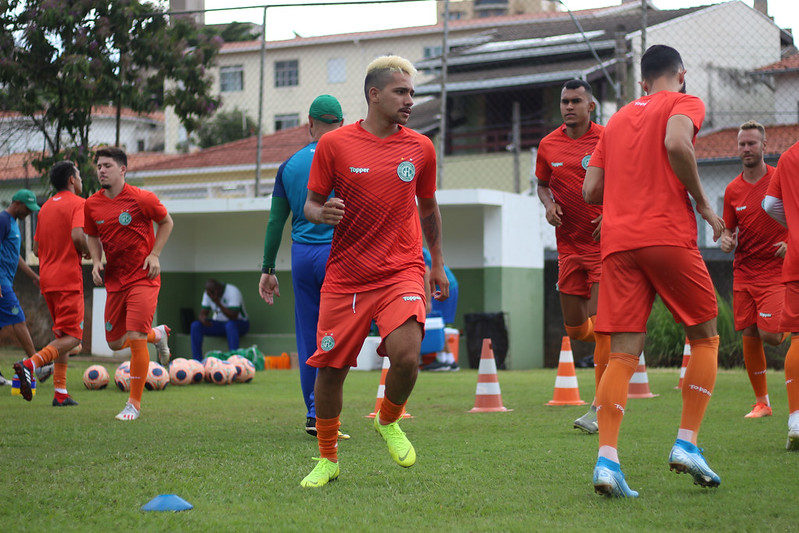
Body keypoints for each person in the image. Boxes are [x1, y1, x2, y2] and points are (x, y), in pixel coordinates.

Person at [298, 55, 448, 488]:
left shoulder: (420, 148)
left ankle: (388, 420)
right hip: (346, 276)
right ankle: (328, 459)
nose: (409, 101)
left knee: (407, 356)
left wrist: (436, 262)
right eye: (401, 92)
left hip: (401, 268)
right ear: (374, 94)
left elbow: (429, 206)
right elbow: (309, 204)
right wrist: (320, 212)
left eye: (412, 93)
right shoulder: (335, 145)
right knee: (331, 370)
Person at [583, 45, 725, 497]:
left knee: (623, 354)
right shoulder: (685, 102)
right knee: (705, 335)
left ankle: (607, 461)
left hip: (618, 244)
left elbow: (591, 191)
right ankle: (687, 443)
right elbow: (676, 143)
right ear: (681, 75)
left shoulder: (618, 120)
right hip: (666, 235)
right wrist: (702, 203)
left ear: (642, 82)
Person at [258, 94, 351, 438]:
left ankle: (314, 411)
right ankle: (327, 415)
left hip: (301, 256)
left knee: (309, 335)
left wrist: (268, 269)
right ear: (341, 124)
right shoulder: (347, 158)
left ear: (309, 124)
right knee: (339, 335)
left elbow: (274, 222)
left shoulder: (289, 166)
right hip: (337, 254)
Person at [536, 79, 608, 434]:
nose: (569, 106)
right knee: (577, 330)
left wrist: (611, 215)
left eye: (576, 101)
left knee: (603, 328)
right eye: (564, 101)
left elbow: (628, 181)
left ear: (590, 106)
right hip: (568, 248)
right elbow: (542, 183)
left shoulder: (607, 139)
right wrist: (549, 205)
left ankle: (598, 408)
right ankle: (623, 341)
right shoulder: (548, 144)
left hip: (603, 249)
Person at [82, 146, 173, 421]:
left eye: (107, 165)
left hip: (143, 277)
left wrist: (155, 254)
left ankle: (133, 404)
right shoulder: (92, 204)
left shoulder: (142, 198)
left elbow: (166, 222)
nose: (101, 170)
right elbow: (93, 237)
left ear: (123, 169)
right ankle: (157, 335)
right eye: (99, 166)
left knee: (134, 339)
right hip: (115, 281)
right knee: (114, 342)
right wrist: (97, 261)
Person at [720, 121, 787, 418]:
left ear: (764, 145)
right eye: (742, 144)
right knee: (749, 332)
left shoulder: (781, 179)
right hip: (744, 272)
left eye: (751, 143)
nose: (746, 149)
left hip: (776, 272)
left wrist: (792, 242)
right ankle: (763, 403)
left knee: (771, 335)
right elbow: (728, 232)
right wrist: (724, 239)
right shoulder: (732, 190)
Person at [13, 162, 89, 405]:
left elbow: (35, 248)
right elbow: (78, 236)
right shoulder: (79, 203)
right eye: (78, 176)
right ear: (71, 180)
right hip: (68, 279)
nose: (80, 180)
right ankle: (30, 364)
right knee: (74, 338)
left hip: (48, 280)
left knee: (63, 336)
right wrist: (85, 250)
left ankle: (60, 393)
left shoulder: (44, 209)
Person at [763, 141, 799, 450]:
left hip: (797, 257)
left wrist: (794, 227)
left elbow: (769, 205)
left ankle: (796, 420)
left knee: (798, 339)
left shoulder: (789, 156)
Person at [0, 189, 42, 387]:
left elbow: (15, 257)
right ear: (16, 203)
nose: (29, 212)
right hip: (2, 283)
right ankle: (37, 364)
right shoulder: (3, 220)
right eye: (27, 208)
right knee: (18, 318)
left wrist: (35, 277)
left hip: (6, 280)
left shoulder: (13, 225)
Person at [420, 246, 458, 371]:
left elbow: (426, 274)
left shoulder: (416, 248)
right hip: (446, 284)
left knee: (435, 322)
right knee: (439, 323)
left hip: (442, 286)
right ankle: (448, 360)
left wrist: (428, 302)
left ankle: (443, 361)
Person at [191, 278, 249, 361]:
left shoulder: (233, 291)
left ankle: (234, 360)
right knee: (195, 326)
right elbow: (203, 313)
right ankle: (197, 361)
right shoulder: (208, 294)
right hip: (220, 324)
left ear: (219, 289)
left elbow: (233, 316)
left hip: (240, 324)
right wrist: (203, 319)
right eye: (209, 293)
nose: (211, 295)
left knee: (230, 325)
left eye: (213, 292)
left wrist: (217, 302)